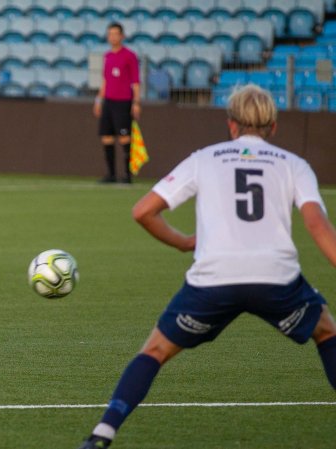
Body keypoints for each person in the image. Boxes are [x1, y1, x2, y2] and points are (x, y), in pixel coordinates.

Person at [77, 84, 336, 448]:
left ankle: (102, 433)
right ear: (273, 127)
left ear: (230, 125)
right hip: (276, 279)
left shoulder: (205, 158)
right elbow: (317, 225)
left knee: (154, 351)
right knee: (327, 333)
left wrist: (183, 242)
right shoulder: (294, 165)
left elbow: (143, 211)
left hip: (213, 279)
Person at [93, 22, 141, 184]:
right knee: (106, 136)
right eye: (110, 34)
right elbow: (105, 80)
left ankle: (127, 175)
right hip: (108, 101)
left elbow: (135, 80)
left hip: (123, 101)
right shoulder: (107, 56)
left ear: (122, 36)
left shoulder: (129, 55)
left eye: (115, 34)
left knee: (124, 137)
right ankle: (111, 174)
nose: (112, 37)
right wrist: (99, 100)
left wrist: (136, 102)